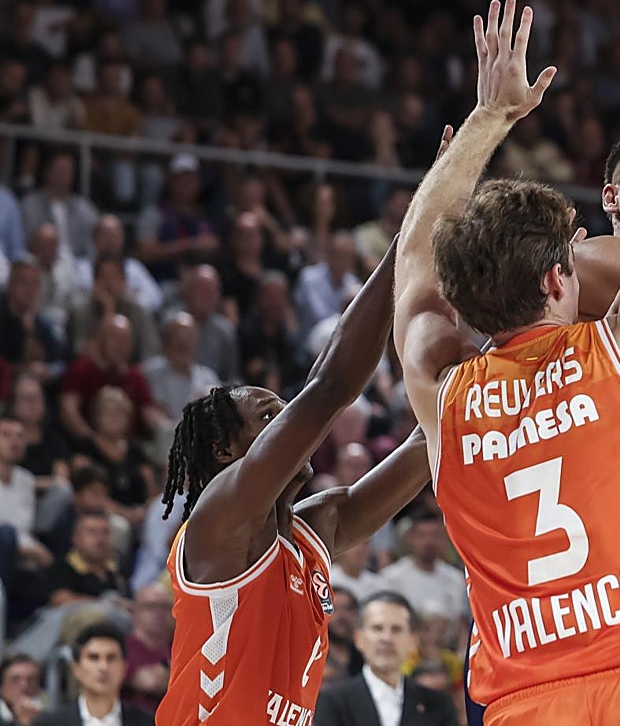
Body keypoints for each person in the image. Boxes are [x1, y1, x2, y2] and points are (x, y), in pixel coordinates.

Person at [391, 0, 620, 723]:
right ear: (561, 277)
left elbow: (414, 264)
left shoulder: (440, 388)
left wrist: (487, 120)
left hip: (526, 702)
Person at [155, 172, 453, 720]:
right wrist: (411, 232)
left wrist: (502, 345)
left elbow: (428, 440)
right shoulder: (218, 519)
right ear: (226, 451)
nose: (287, 425)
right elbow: (332, 386)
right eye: (269, 418)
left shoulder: (316, 530)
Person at [314, 592, 457, 726]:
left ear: (413, 640)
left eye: (396, 629)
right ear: (358, 638)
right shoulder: (331, 702)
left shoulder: (438, 704)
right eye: (377, 628)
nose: (386, 638)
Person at [30, 622, 154, 726]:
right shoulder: (49, 724)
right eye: (94, 658)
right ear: (76, 668)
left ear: (124, 667)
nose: (103, 667)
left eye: (111, 658)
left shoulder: (149, 723)